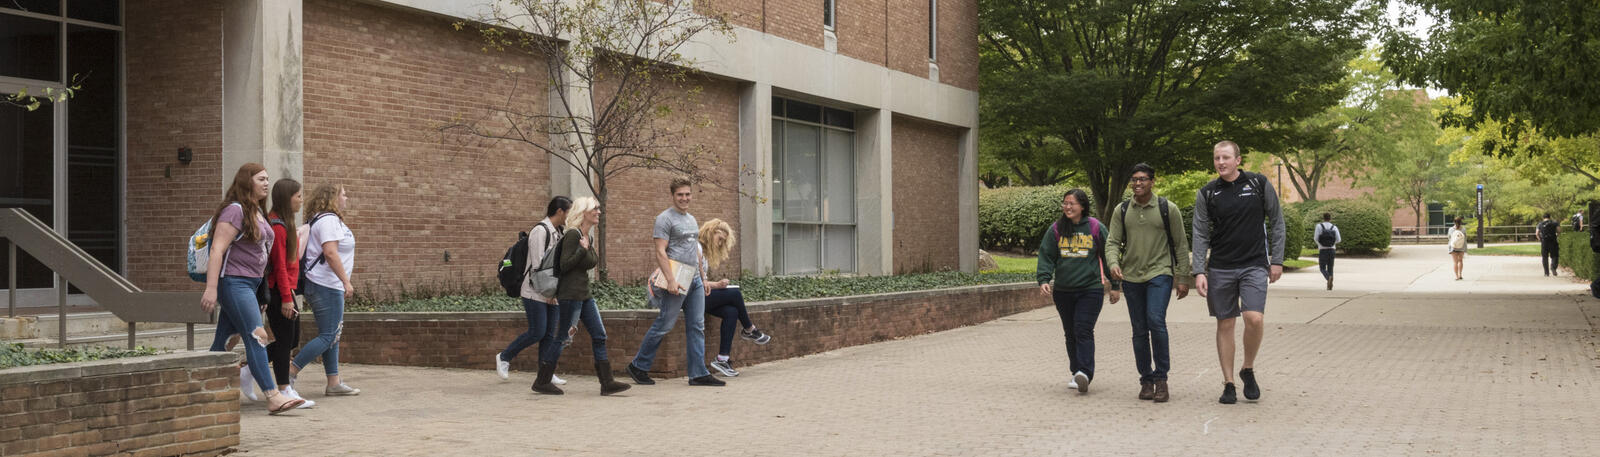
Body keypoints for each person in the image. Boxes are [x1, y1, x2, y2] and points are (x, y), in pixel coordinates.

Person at [200, 163, 305, 415]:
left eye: (268, 179)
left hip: (251, 285)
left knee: (223, 342)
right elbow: (217, 249)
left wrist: (261, 292)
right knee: (258, 336)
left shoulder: (256, 211)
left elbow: (261, 256)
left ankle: (202, 391)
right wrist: (211, 288)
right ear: (247, 181)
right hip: (233, 282)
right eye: (261, 179)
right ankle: (273, 396)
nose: (266, 183)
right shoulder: (234, 211)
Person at [1191, 140, 1285, 405]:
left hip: (1254, 264)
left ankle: (1248, 368)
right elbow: (1200, 233)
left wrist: (1277, 260)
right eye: (1216, 158)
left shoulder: (1258, 184)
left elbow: (1277, 222)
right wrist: (1199, 271)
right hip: (1221, 267)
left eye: (1225, 157)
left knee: (1254, 318)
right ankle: (1229, 382)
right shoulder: (1207, 193)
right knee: (1226, 323)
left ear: (1238, 160)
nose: (1220, 162)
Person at [627, 177, 723, 387]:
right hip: (677, 279)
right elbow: (660, 252)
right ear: (672, 196)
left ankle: (698, 374)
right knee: (665, 324)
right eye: (680, 194)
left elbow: (695, 251)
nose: (684, 198)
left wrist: (704, 278)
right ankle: (638, 365)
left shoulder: (691, 219)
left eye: (687, 194)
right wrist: (670, 280)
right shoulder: (664, 219)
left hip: (695, 279)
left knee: (697, 326)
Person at [1106, 164, 1190, 403]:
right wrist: (1113, 263)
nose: (1138, 183)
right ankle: (1146, 379)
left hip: (1160, 273)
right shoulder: (1122, 210)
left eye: (1142, 179)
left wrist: (1183, 277)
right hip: (1131, 276)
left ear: (1152, 181)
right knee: (1139, 330)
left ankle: (1161, 378)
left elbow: (1181, 244)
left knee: (1155, 320)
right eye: (1134, 179)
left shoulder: (1167, 208)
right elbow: (1112, 242)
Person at [1037, 188, 1119, 394]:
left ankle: (1085, 372)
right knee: (1070, 332)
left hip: (1090, 290)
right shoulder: (1056, 229)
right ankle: (1077, 372)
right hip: (1063, 291)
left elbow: (1109, 256)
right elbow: (1046, 255)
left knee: (1083, 329)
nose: (1067, 207)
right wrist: (1044, 279)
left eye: (1072, 203)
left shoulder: (1095, 227)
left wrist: (1115, 286)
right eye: (1065, 203)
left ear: (1082, 206)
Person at [547, 197, 632, 395]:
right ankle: (542, 380)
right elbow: (564, 265)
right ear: (583, 212)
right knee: (562, 337)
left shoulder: (588, 236)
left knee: (599, 335)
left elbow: (592, 261)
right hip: (570, 295)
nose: (598, 212)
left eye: (598, 208)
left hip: (584, 295)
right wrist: (582, 249)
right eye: (595, 208)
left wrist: (586, 248)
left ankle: (607, 382)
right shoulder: (572, 235)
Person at [289, 184, 361, 397]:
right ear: (333, 198)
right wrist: (346, 281)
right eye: (343, 194)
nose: (346, 198)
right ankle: (290, 371)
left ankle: (334, 382)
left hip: (324, 284)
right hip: (326, 285)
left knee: (332, 334)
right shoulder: (328, 220)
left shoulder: (321, 219)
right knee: (329, 334)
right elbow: (330, 253)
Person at [494, 196, 572, 388]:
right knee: (537, 332)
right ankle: (504, 357)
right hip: (534, 291)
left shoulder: (558, 232)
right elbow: (537, 266)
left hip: (552, 291)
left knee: (549, 335)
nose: (570, 216)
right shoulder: (540, 231)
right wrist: (548, 293)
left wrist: (555, 292)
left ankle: (546, 374)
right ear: (560, 211)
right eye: (569, 212)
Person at [697, 218, 772, 377]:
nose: (719, 244)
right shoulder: (696, 248)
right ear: (711, 232)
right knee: (735, 294)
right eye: (719, 239)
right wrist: (717, 285)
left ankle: (722, 359)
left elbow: (701, 283)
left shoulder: (704, 253)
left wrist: (715, 285)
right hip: (691, 298)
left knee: (731, 312)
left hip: (700, 295)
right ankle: (750, 329)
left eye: (723, 242)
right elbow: (693, 281)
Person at [263, 178, 313, 408]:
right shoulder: (277, 227)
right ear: (287, 198)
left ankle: (249, 368)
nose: (301, 200)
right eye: (298, 196)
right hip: (278, 290)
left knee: (291, 339)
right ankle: (284, 388)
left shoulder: (283, 223)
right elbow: (280, 266)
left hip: (285, 289)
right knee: (284, 340)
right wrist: (285, 298)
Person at [1313, 213, 1342, 290]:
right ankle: (1330, 285)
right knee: (1330, 267)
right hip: (1332, 249)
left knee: (1322, 268)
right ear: (1330, 218)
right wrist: (1332, 243)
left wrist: (1321, 244)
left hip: (1323, 250)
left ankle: (1328, 277)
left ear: (1323, 218)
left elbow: (1315, 238)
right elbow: (1339, 239)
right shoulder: (1334, 227)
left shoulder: (1319, 226)